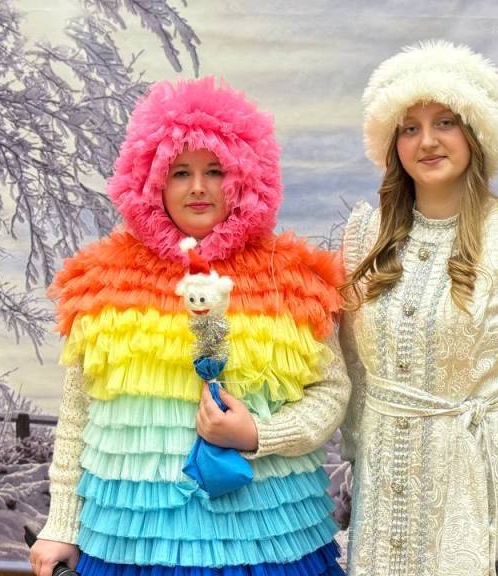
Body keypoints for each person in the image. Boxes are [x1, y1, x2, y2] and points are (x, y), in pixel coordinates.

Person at [29, 77, 349, 576]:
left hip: (264, 543)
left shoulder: (293, 279)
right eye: (180, 172)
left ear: (247, 178)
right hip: (135, 544)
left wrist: (259, 434)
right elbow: (78, 413)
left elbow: (331, 392)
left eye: (215, 171)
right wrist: (62, 524)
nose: (198, 187)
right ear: (151, 180)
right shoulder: (102, 282)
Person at [339, 40, 498, 576]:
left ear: (475, 132)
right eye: (410, 127)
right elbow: (354, 372)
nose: (427, 141)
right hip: (383, 493)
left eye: (445, 122)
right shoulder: (364, 238)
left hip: (479, 492)